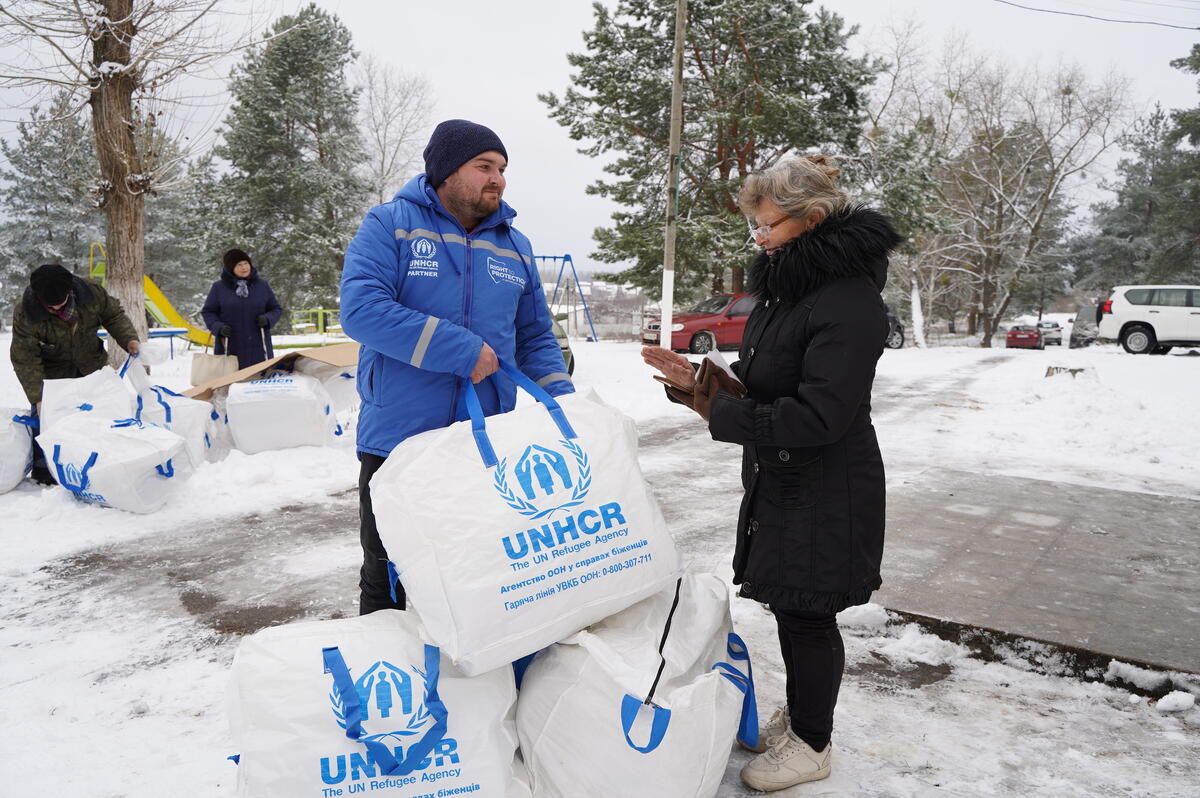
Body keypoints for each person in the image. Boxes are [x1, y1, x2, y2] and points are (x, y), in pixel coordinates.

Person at [642, 155, 902, 791]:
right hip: (784, 477)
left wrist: (725, 411)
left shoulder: (847, 300)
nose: (757, 237)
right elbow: (763, 388)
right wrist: (700, 383)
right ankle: (808, 717)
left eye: (766, 225)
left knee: (809, 612)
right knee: (791, 607)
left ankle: (814, 743)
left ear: (810, 220)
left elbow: (820, 415)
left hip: (827, 483)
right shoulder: (790, 287)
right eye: (752, 226)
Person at [340, 119, 574, 615]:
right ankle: (397, 681)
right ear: (446, 172)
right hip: (399, 440)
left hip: (482, 443)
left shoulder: (515, 246)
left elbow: (534, 336)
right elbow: (361, 310)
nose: (498, 179)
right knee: (390, 577)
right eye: (484, 166)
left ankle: (470, 686)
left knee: (477, 576)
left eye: (503, 169)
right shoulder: (391, 225)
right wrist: (460, 349)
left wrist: (568, 407)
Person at [9, 263, 141, 484]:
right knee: (49, 422)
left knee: (97, 417)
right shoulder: (26, 312)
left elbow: (113, 316)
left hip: (91, 365)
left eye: (60, 303)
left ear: (70, 291)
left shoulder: (91, 294)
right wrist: (39, 397)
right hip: (53, 374)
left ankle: (100, 465)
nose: (56, 309)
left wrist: (129, 339)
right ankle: (47, 472)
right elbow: (25, 358)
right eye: (50, 307)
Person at [200, 248, 282, 370]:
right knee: (231, 383)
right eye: (239, 265)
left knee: (259, 379)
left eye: (246, 263)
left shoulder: (262, 285)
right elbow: (208, 312)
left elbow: (275, 308)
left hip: (259, 346)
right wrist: (219, 327)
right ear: (230, 268)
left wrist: (268, 319)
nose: (244, 268)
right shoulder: (219, 287)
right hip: (230, 345)